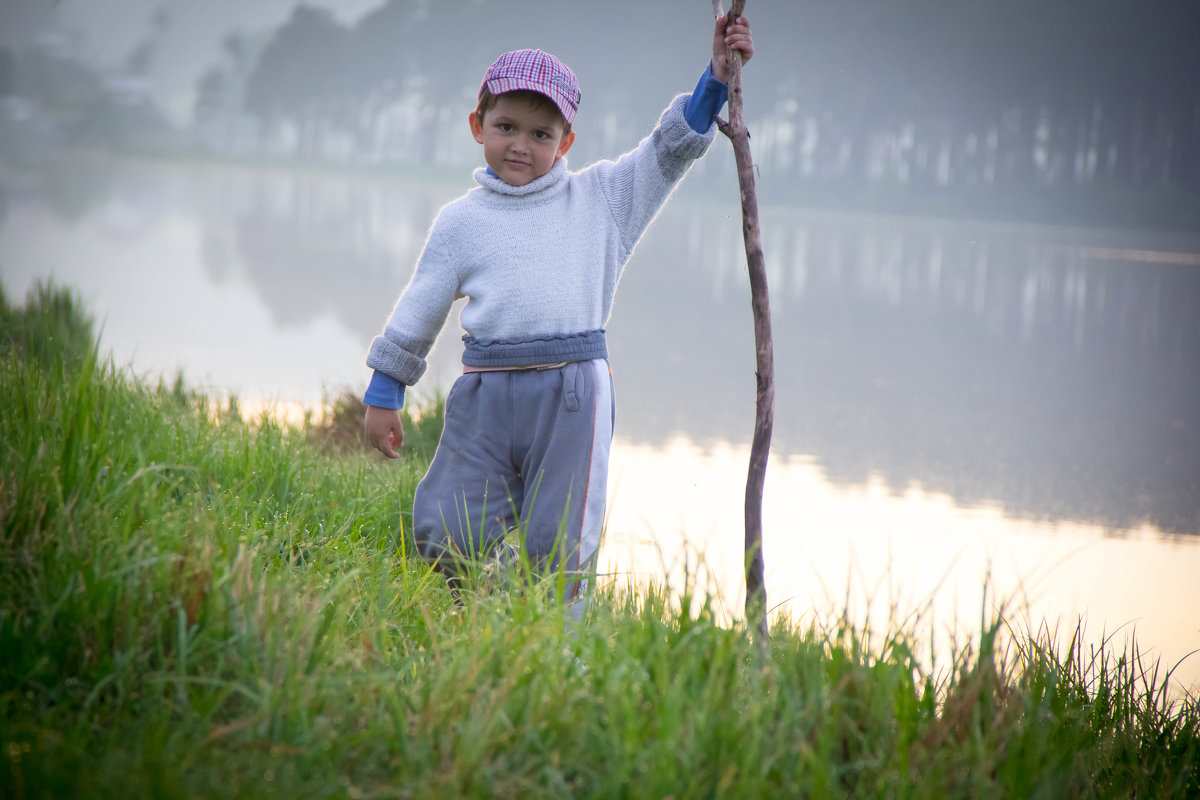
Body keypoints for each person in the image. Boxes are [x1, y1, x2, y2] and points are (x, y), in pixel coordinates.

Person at [363, 14, 755, 613]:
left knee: (559, 539)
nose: (520, 145)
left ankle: (557, 647)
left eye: (541, 134)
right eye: (506, 126)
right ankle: (464, 615)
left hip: (571, 397)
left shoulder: (603, 199)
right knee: (445, 525)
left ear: (565, 143)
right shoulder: (459, 222)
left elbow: (667, 153)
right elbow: (420, 308)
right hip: (484, 395)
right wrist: (386, 389)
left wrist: (716, 79)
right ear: (477, 126)